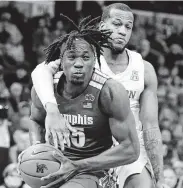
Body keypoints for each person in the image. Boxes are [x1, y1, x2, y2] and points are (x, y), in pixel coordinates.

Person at [31, 3, 165, 188]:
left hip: (126, 146)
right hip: (88, 147)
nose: (122, 31)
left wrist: (160, 177)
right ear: (102, 26)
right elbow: (40, 72)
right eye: (116, 24)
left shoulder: (144, 69)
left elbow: (151, 126)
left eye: (128, 27)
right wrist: (51, 110)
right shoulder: (85, 55)